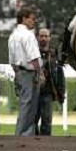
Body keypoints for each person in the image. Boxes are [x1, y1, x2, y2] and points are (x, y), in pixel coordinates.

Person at [8, 8, 45, 136]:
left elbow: (12, 60)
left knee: (25, 103)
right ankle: (23, 133)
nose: (34, 21)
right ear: (24, 19)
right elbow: (34, 57)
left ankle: (25, 132)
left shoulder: (12, 36)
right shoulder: (28, 35)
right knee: (29, 105)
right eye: (32, 18)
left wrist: (17, 74)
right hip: (30, 73)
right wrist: (40, 73)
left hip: (19, 71)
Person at [35, 28, 66, 135]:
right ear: (37, 37)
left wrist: (61, 93)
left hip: (47, 93)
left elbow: (60, 74)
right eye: (41, 36)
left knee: (47, 122)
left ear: (50, 38)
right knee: (32, 122)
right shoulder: (32, 53)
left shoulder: (54, 53)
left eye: (46, 36)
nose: (43, 38)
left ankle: (45, 146)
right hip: (34, 92)